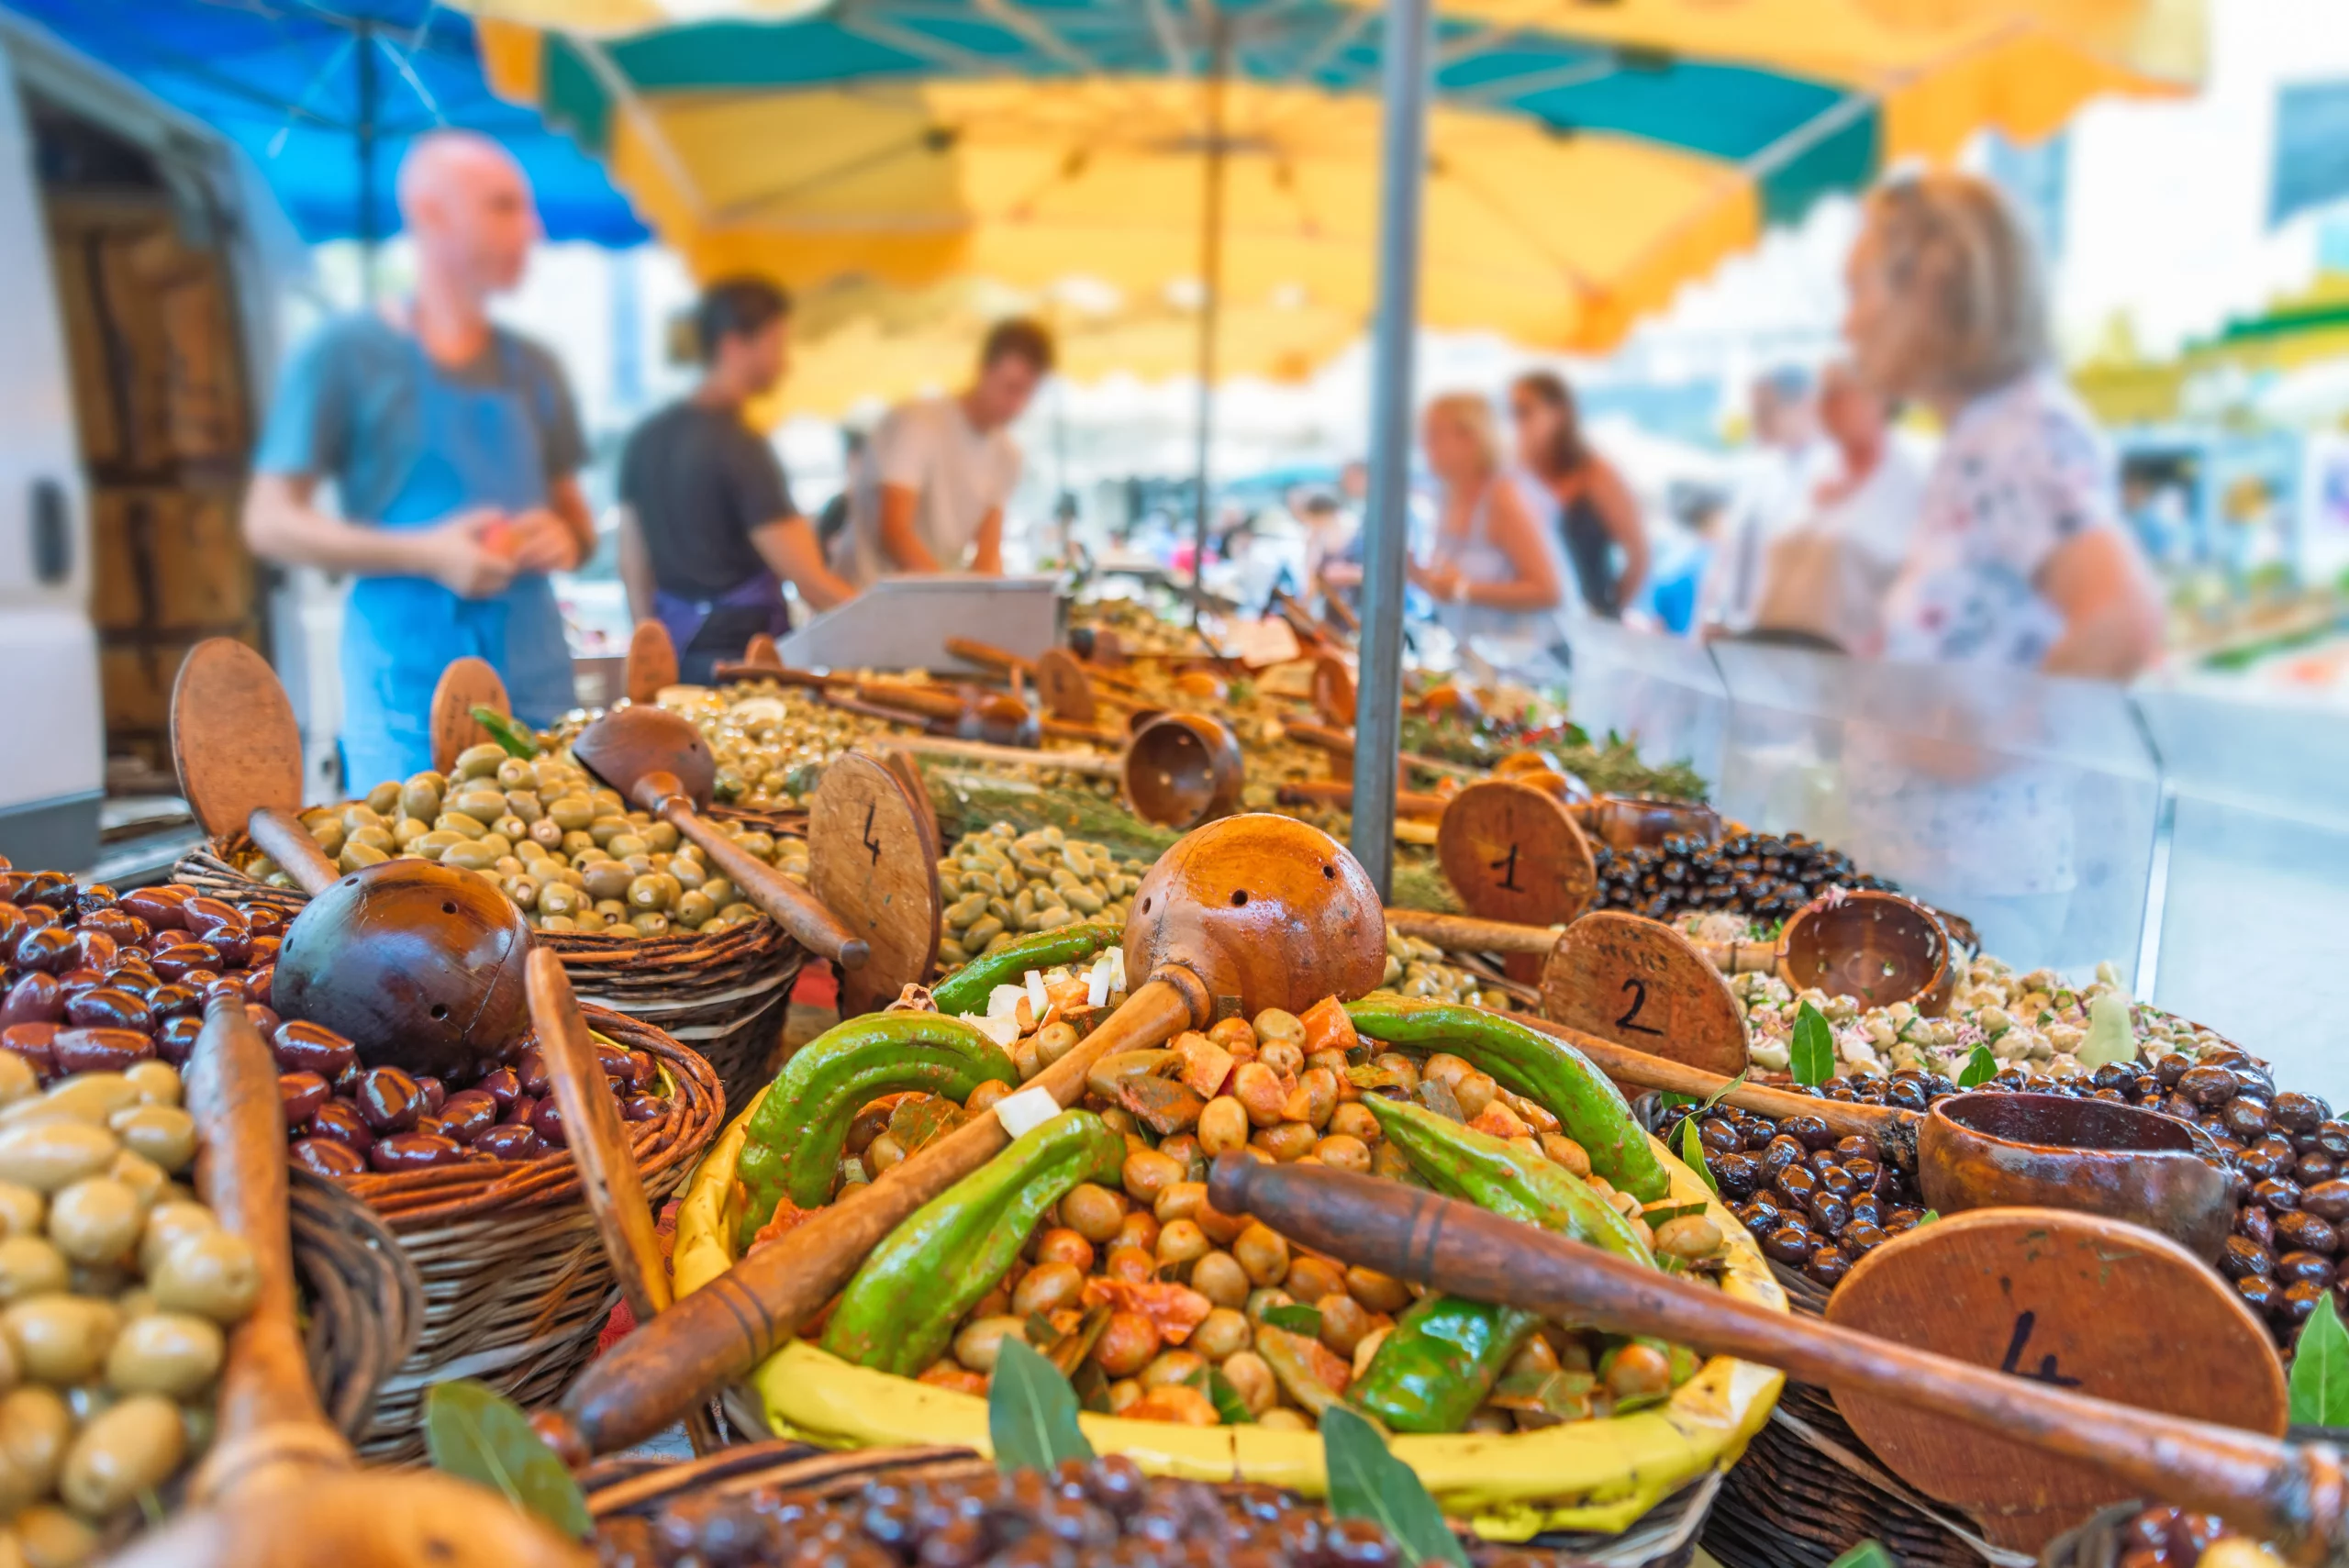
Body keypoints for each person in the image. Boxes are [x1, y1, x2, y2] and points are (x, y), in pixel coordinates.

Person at [244, 131, 589, 788]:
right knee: (412, 849)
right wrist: (427, 552)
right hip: (405, 689)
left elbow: (578, 524)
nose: (533, 229)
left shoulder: (535, 368)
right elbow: (270, 522)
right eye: (504, 207)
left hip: (535, 678)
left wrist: (562, 537)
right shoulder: (343, 355)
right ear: (431, 214)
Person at [1847, 175, 2163, 676]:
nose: (1849, 325)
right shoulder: (1984, 431)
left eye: (1859, 290)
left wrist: (2019, 727)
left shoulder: (2021, 434)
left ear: (1934, 288)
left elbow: (2123, 621)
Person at [615, 277, 854, 684]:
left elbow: (632, 562)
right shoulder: (740, 445)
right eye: (776, 345)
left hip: (678, 654)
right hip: (743, 661)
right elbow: (811, 581)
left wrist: (649, 655)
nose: (784, 363)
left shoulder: (646, 439)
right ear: (732, 345)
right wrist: (891, 631)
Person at [834, 318, 1054, 588]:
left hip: (931, 599)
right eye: (1010, 387)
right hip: (861, 596)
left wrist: (984, 601)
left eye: (1027, 393)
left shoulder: (1008, 455)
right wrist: (951, 596)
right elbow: (893, 532)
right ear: (983, 370)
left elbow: (988, 554)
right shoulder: (919, 422)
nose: (1016, 404)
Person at [1746, 361, 1927, 652]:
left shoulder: (1914, 476)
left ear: (1879, 398)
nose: (1827, 405)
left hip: (1856, 660)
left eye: (1839, 393)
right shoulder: (1811, 471)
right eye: (1823, 394)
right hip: (1779, 652)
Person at [1408, 393, 1564, 647]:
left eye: (1434, 434)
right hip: (1471, 652)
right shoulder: (1447, 494)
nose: (1424, 444)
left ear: (1470, 438)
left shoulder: (1504, 497)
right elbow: (1449, 586)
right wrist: (1418, 576)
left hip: (1525, 657)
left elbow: (1550, 591)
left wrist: (1464, 590)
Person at [1699, 365, 1835, 637]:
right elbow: (1728, 555)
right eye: (1754, 412)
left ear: (1804, 405)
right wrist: (1711, 613)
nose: (1758, 422)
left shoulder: (1829, 471)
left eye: (1766, 410)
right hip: (1739, 630)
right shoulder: (1758, 471)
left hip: (1788, 633)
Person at [1508, 371, 1646, 618]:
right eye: (1513, 413)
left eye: (1525, 411)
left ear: (1559, 413)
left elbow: (1639, 554)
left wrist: (1608, 612)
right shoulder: (1515, 475)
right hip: (1531, 619)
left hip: (1588, 615)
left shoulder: (1597, 474)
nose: (1517, 423)